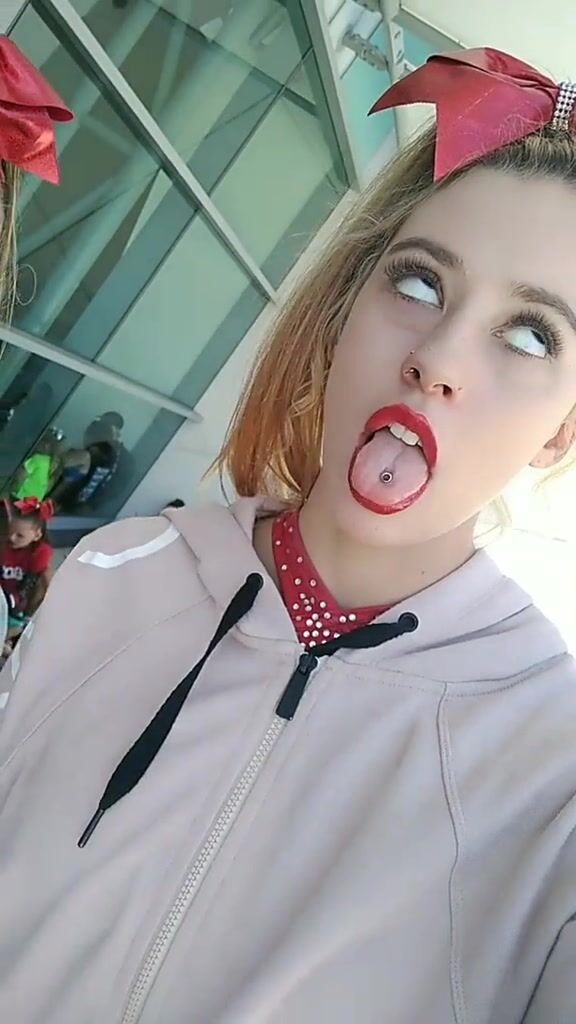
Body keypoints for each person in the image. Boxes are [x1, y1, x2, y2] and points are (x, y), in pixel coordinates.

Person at [3, 45, 576, 1023]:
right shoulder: (112, 575)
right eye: (419, 285)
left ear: (562, 428)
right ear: (346, 310)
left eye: (532, 335)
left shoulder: (550, 776)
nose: (438, 360)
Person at [0, 497, 53, 622]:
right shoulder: (3, 544)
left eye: (20, 535)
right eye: (9, 532)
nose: (11, 538)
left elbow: (41, 582)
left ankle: (24, 620)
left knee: (44, 579)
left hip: (16, 600)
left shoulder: (40, 552)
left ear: (37, 535)